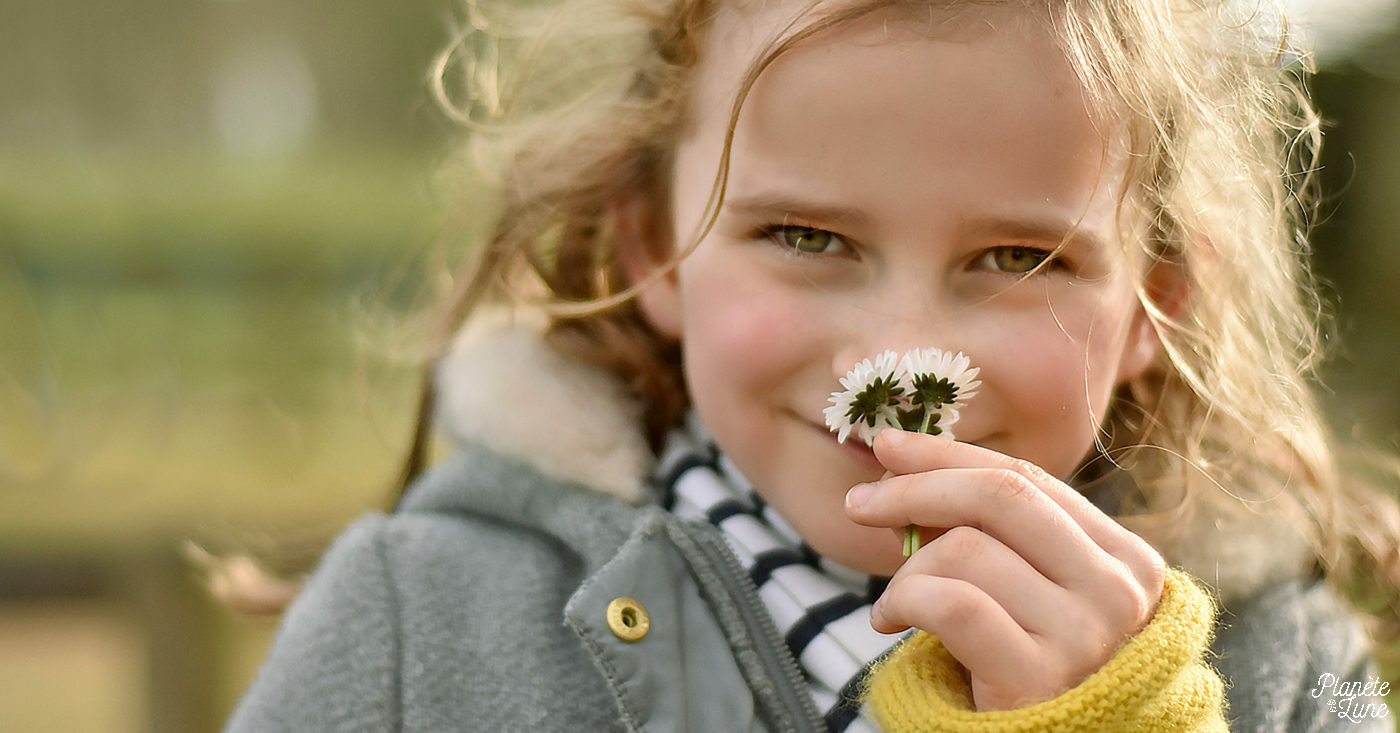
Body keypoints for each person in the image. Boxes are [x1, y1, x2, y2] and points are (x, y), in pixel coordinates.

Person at [224, 0, 1400, 730]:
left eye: (1015, 255)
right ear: (655, 250)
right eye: (805, 238)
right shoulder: (408, 620)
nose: (898, 360)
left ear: (1156, 301)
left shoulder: (1300, 664)